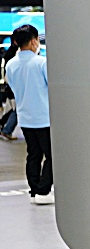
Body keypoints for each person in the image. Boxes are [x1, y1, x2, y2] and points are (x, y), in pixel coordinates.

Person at [6, 24, 52, 204]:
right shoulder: (41, 63)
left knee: (33, 154)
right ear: (34, 41)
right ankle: (43, 190)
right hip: (44, 117)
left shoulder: (11, 65)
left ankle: (34, 189)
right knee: (51, 155)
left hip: (25, 117)